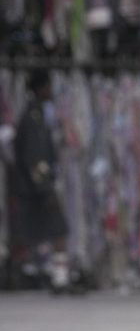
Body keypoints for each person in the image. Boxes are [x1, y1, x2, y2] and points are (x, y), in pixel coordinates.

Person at [12, 70, 70, 293]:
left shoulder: (35, 115)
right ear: (40, 89)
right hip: (35, 189)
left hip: (30, 187)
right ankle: (58, 280)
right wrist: (46, 190)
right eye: (48, 86)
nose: (51, 91)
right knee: (57, 230)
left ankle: (30, 275)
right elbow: (35, 158)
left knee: (30, 234)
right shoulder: (33, 118)